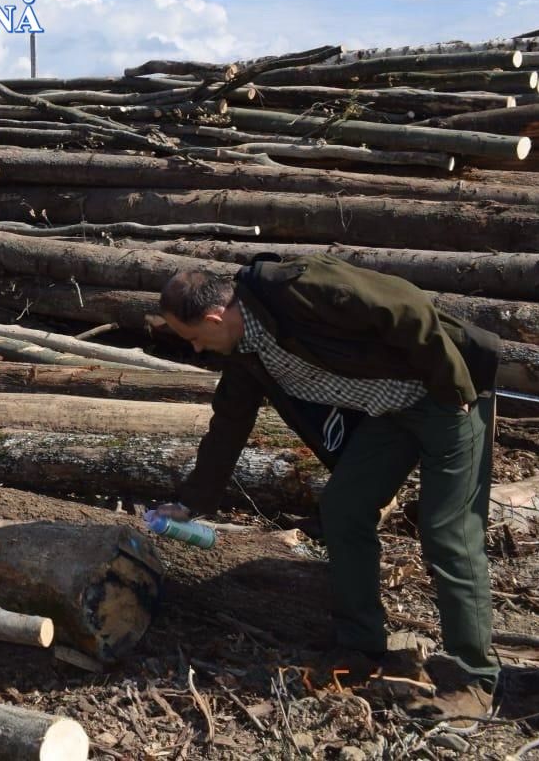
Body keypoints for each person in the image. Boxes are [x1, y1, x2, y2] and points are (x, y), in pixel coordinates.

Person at [155, 254, 500, 720]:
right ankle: (362, 647)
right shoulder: (244, 353)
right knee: (343, 507)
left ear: (215, 318)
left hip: (449, 396)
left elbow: (406, 304)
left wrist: (452, 383)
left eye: (194, 337)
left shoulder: (294, 290)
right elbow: (229, 424)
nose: (197, 349)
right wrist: (191, 503)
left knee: (447, 532)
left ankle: (474, 678)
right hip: (389, 413)